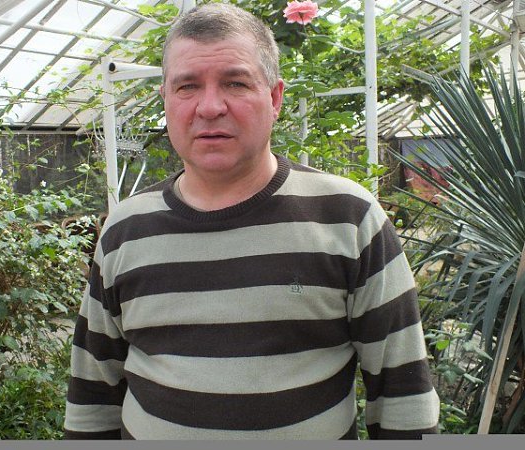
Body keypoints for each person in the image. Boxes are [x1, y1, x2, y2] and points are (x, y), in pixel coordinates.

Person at [64, 2, 439, 440]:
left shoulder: (347, 218)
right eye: (187, 86)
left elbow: (402, 397)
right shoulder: (126, 230)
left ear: (275, 98)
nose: (209, 107)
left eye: (236, 83)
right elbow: (93, 394)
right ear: (165, 99)